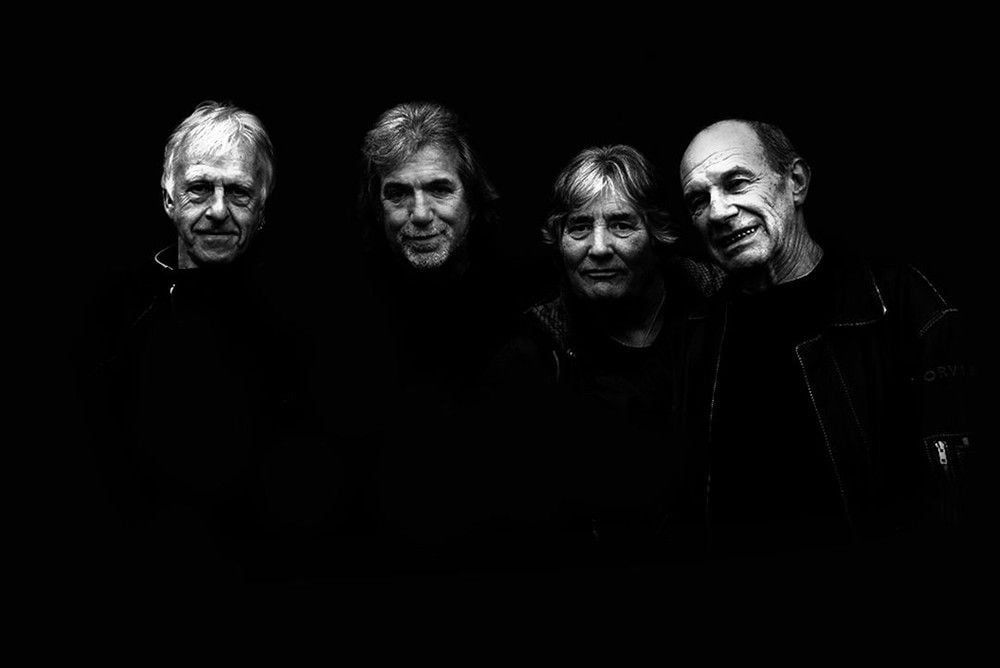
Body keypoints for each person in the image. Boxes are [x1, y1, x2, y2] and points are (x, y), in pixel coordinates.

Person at [677, 119, 976, 559]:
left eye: (737, 183)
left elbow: (957, 499)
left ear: (796, 182)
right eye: (698, 201)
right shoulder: (696, 336)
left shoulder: (902, 305)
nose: (718, 212)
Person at [84, 101, 301, 584]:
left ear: (262, 208)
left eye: (239, 192)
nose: (218, 211)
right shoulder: (116, 319)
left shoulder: (296, 325)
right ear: (168, 199)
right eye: (200, 188)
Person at [479, 145, 721, 568]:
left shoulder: (717, 304)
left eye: (622, 225)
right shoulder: (534, 353)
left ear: (656, 233)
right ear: (558, 240)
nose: (599, 247)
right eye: (578, 228)